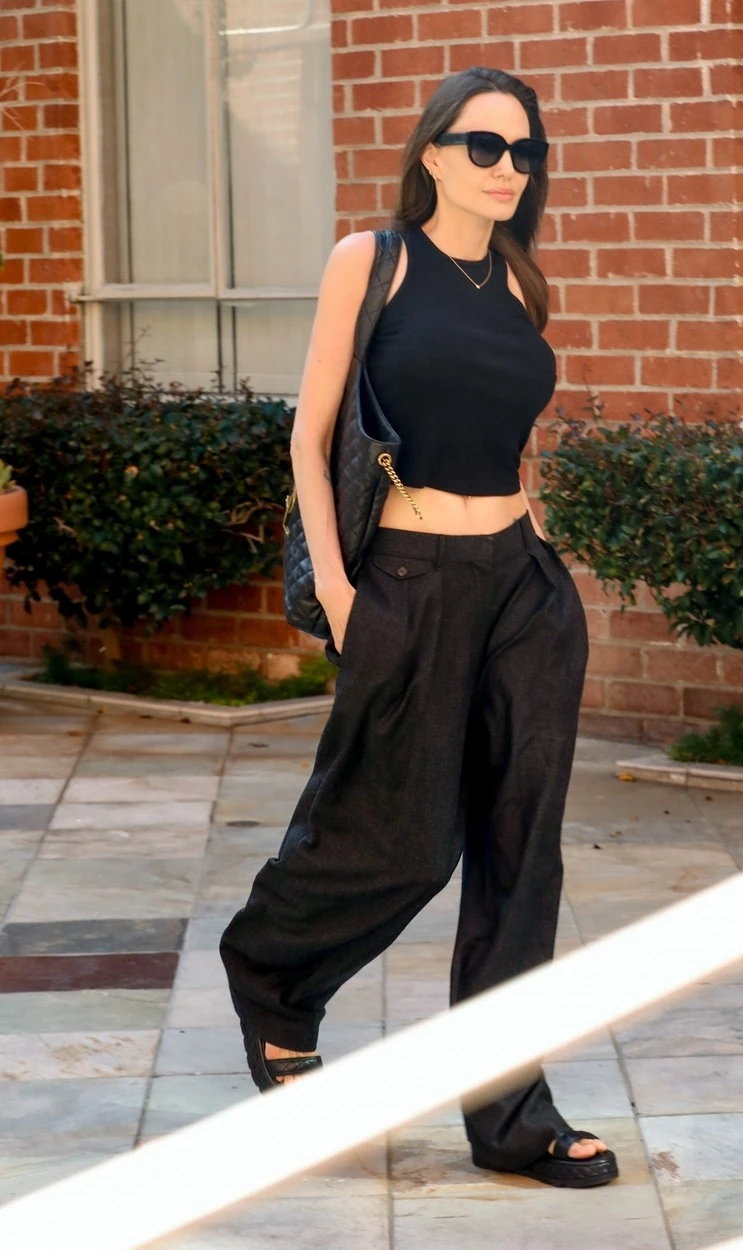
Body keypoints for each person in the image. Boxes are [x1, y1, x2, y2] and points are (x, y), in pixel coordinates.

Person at [219, 65, 619, 1190]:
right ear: (434, 152)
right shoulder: (375, 260)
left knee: (521, 854)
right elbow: (310, 438)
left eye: (524, 151)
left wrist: (539, 546)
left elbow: (507, 439)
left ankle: (513, 1117)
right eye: (484, 146)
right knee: (402, 838)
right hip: (408, 579)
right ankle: (273, 976)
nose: (507, 168)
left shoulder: (521, 284)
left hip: (522, 590)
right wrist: (343, 593)